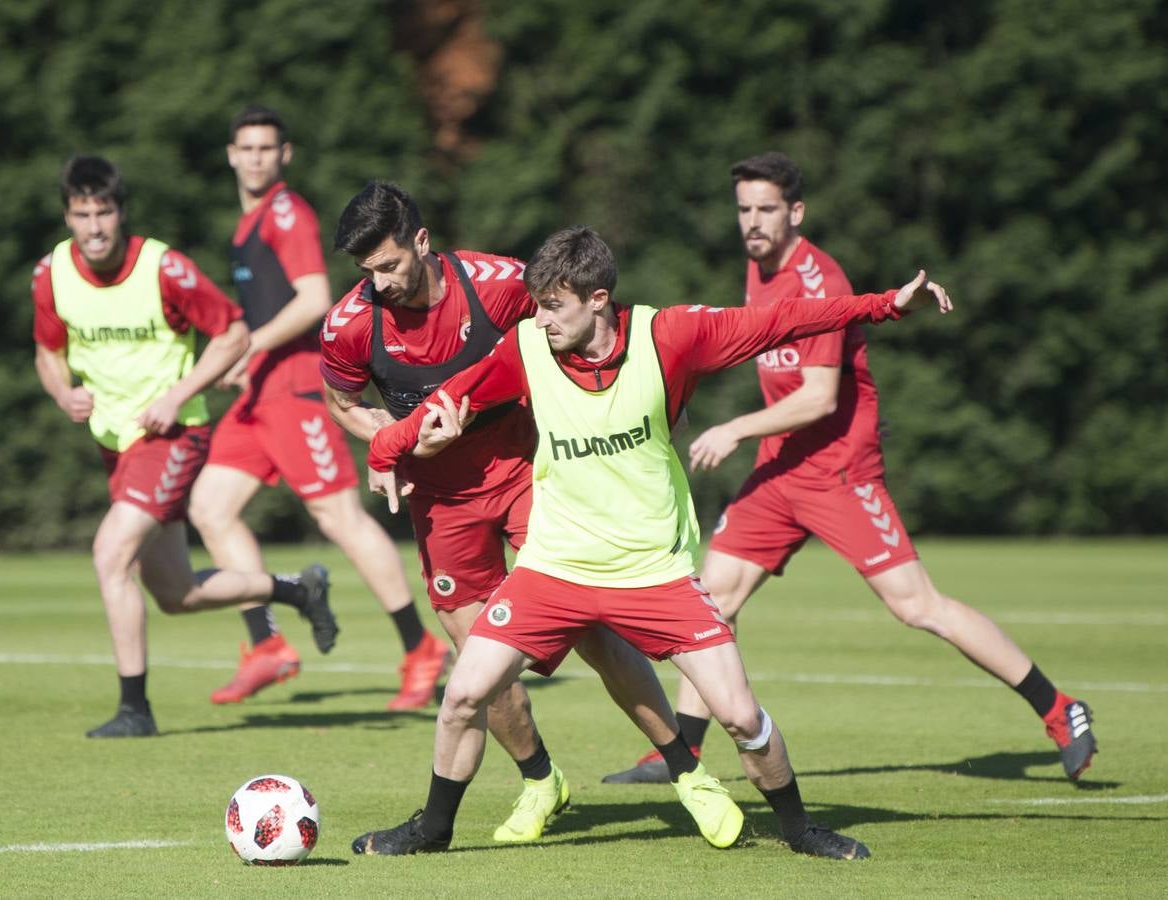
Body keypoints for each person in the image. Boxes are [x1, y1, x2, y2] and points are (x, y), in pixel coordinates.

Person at [352, 225, 952, 857]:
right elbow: (450, 398)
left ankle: (800, 830)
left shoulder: (672, 335)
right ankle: (432, 832)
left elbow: (784, 321)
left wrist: (886, 304)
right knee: (463, 695)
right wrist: (390, 449)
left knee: (742, 717)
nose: (539, 318)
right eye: (536, 304)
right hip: (553, 569)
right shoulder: (526, 346)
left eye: (553, 306)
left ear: (599, 299)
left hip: (654, 573)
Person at [602, 152, 1097, 786]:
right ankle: (683, 753)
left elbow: (818, 397)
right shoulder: (759, 266)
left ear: (796, 213)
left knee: (917, 606)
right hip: (781, 469)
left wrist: (734, 427)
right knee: (712, 599)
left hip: (839, 473)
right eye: (744, 209)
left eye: (766, 210)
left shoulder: (819, 281)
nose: (752, 222)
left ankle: (1060, 710)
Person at [324, 184, 705, 846]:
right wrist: (391, 439)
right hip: (440, 503)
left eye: (388, 266)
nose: (378, 285)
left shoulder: (498, 285)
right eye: (366, 273)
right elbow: (341, 397)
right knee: (479, 659)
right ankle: (538, 780)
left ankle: (686, 772)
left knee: (596, 629)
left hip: (531, 478)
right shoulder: (351, 322)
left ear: (421, 240)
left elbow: (572, 333)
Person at [31, 155, 332, 738]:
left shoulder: (163, 267)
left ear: (121, 213)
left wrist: (179, 394)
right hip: (116, 444)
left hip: (171, 435)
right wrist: (61, 391)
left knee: (109, 553)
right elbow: (47, 351)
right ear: (67, 215)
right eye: (81, 214)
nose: (93, 227)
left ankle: (134, 711)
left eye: (104, 212)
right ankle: (296, 588)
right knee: (176, 593)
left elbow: (234, 332)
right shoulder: (50, 275)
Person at [186, 106, 442, 707]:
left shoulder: (285, 212)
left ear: (284, 155)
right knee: (210, 508)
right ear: (231, 154)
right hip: (259, 395)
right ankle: (267, 645)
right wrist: (244, 361)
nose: (255, 157)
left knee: (340, 520)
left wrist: (247, 349)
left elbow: (313, 299)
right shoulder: (246, 226)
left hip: (297, 387)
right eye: (245, 148)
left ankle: (419, 647)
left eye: (266, 148)